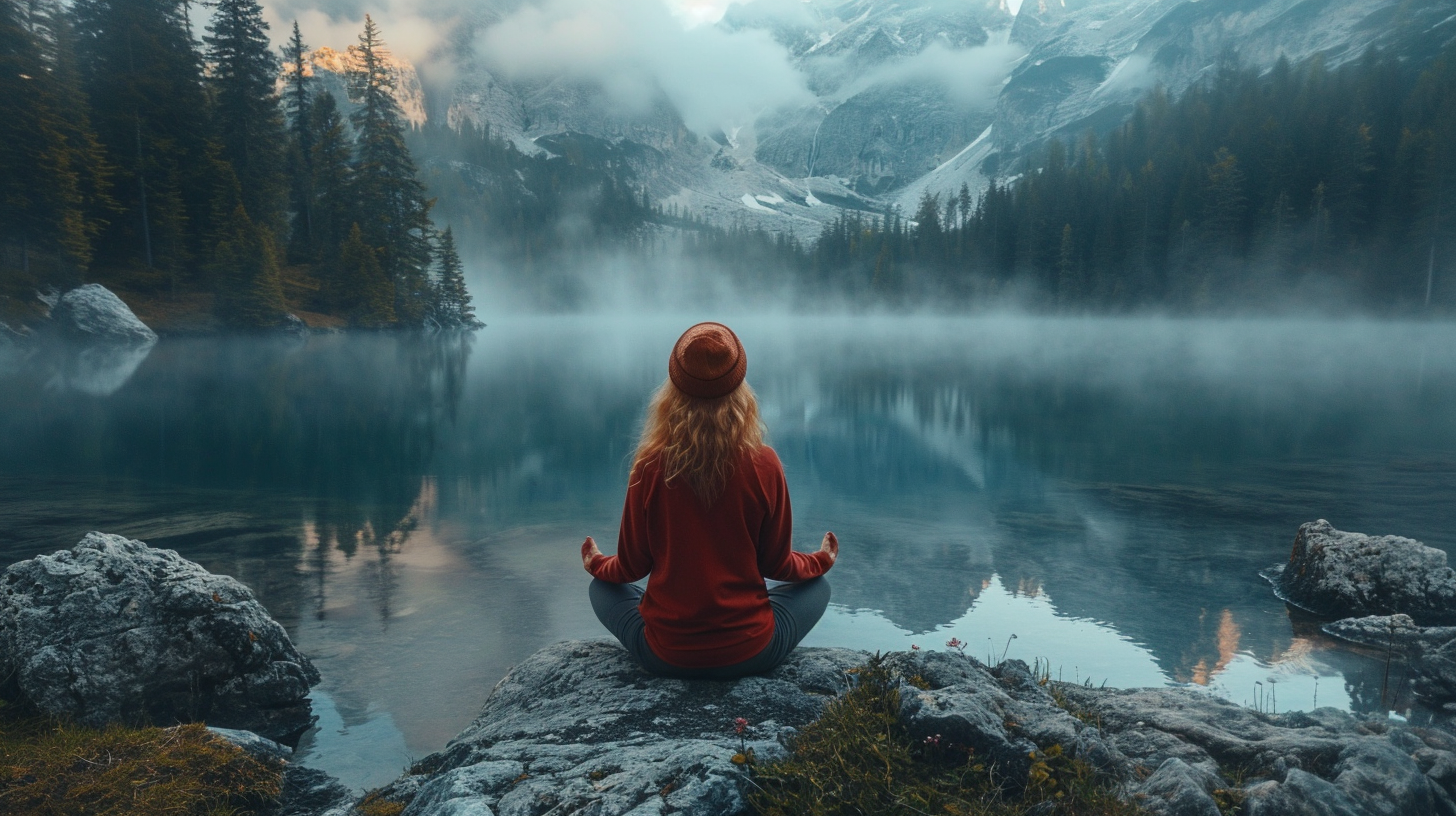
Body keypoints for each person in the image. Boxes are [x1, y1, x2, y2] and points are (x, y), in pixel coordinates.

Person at [581, 321, 838, 679]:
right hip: (752, 652)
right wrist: (819, 561)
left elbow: (630, 568)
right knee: (819, 588)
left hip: (666, 656)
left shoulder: (650, 467)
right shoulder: (765, 463)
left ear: (673, 390)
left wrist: (597, 564)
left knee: (601, 590)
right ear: (740, 387)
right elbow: (776, 566)